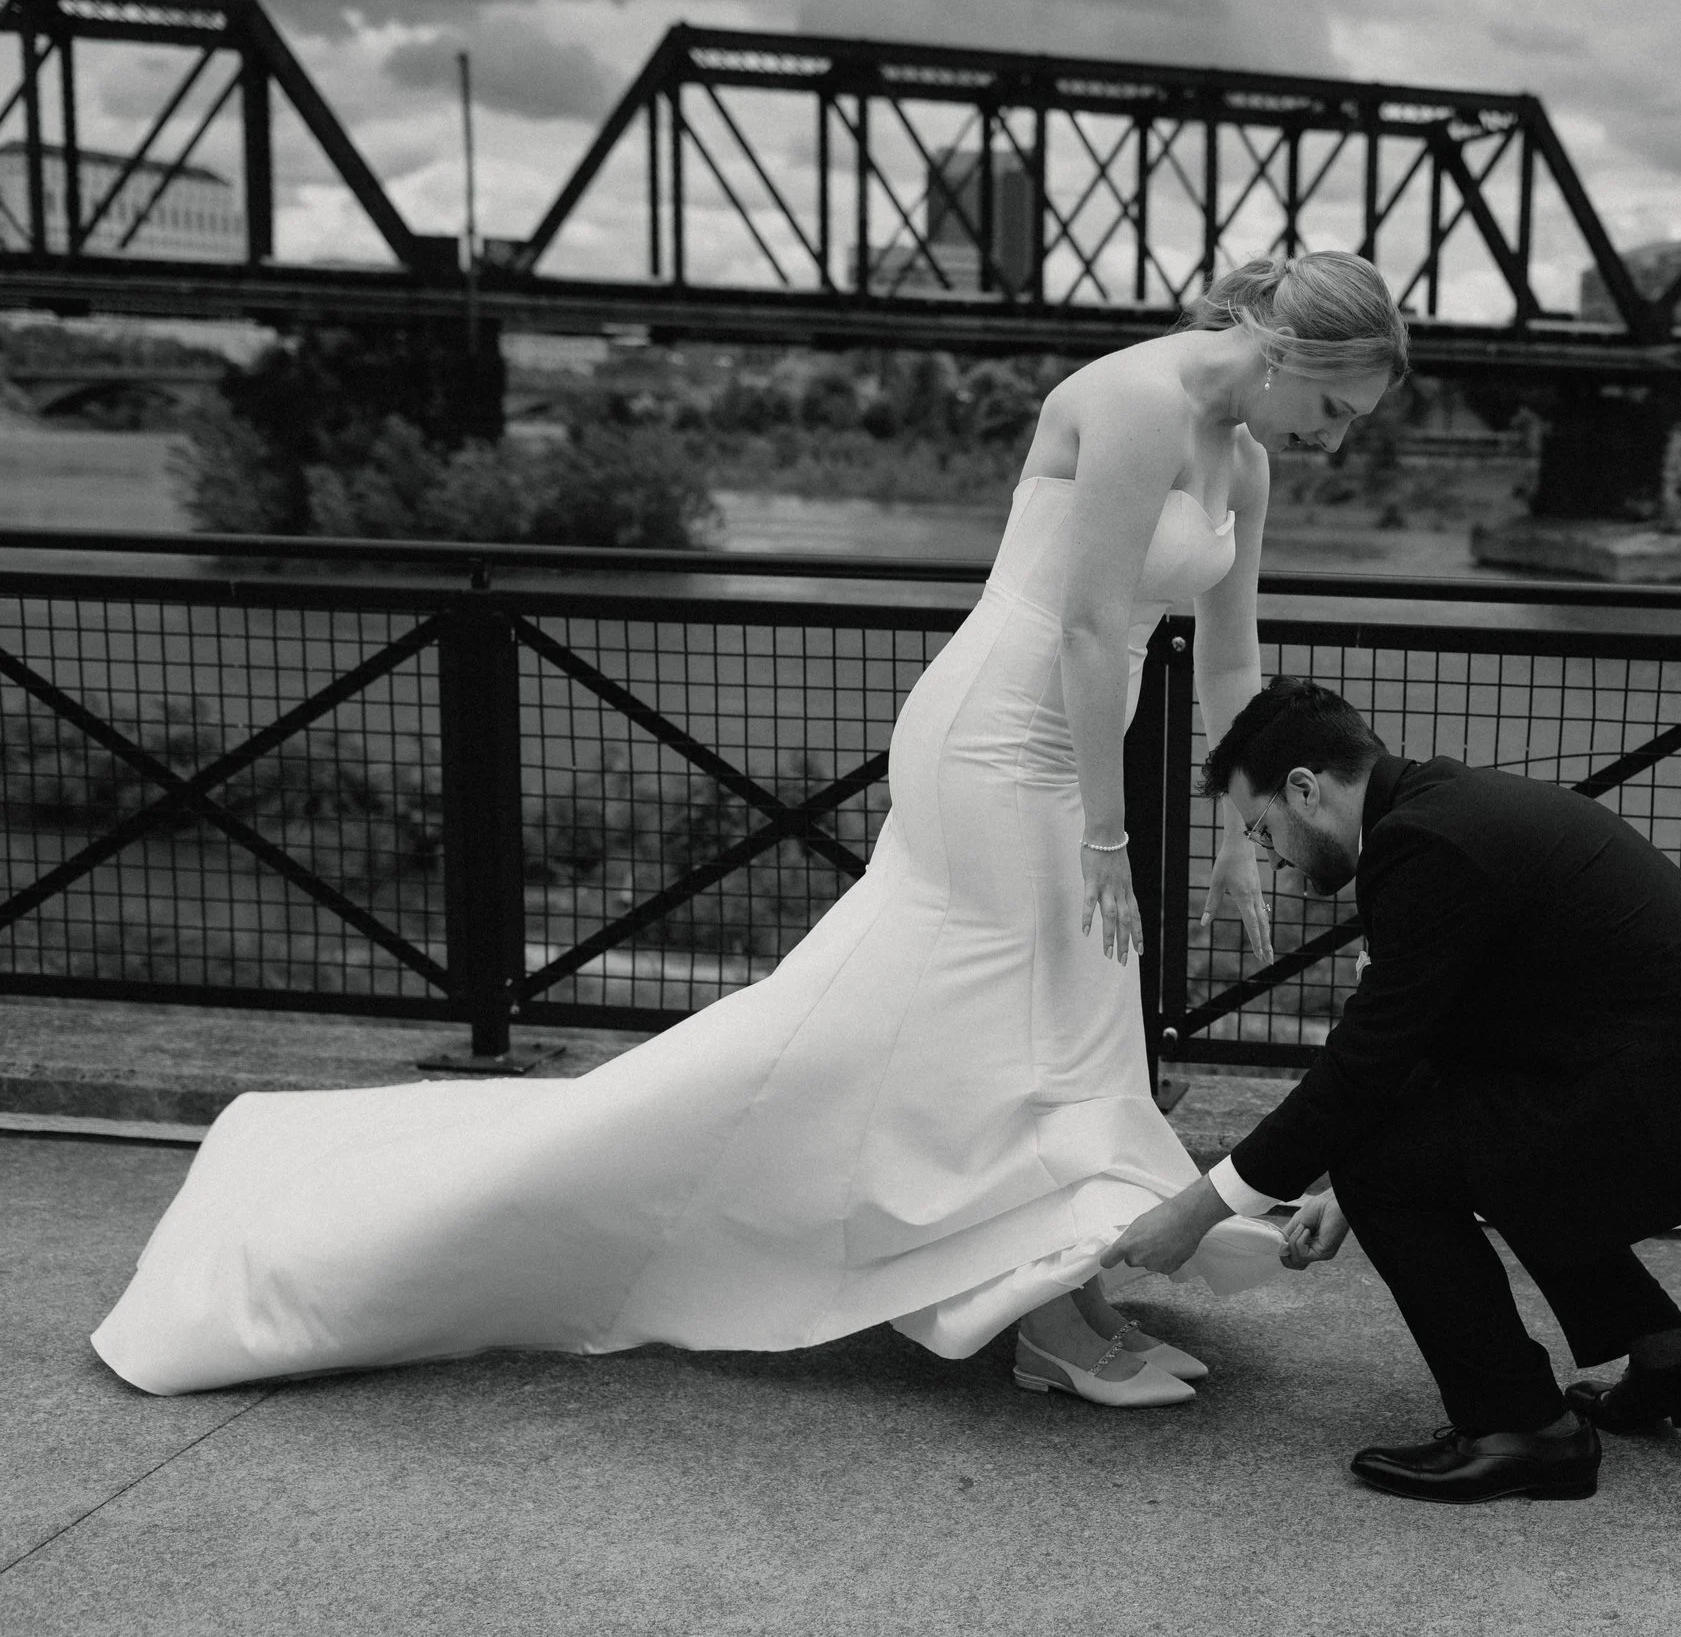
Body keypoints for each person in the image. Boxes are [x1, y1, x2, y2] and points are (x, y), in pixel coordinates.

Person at [90, 255, 1408, 1406]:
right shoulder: (1136, 398)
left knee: (1064, 1013)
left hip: (1077, 751)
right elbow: (1074, 623)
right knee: (1023, 1016)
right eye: (1338, 411)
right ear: (1291, 349)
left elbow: (1233, 662)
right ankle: (1044, 1312)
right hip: (1001, 735)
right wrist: (1115, 844)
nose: (1337, 441)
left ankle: (1046, 1290)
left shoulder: (1239, 455)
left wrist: (1238, 818)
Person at [1100, 677, 1681, 1497]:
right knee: (1461, 1138)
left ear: (1306, 789)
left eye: (1260, 825)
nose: (1266, 851)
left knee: (1388, 1157)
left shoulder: (1425, 848)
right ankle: (1675, 1360)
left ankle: (1522, 1426)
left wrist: (1197, 1208)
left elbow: (1359, 1072)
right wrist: (1340, 1195)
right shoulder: (1433, 813)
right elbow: (1428, 1043)